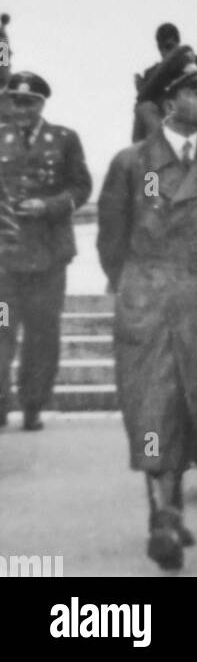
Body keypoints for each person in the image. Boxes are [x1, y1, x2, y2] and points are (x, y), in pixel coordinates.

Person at [97, 59, 197, 571]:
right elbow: (111, 241)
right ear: (167, 105)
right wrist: (137, 287)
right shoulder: (132, 163)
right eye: (194, 89)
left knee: (190, 406)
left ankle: (171, 504)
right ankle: (161, 518)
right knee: (154, 408)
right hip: (151, 302)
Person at [0, 72, 92, 431]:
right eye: (15, 101)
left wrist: (49, 205)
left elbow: (81, 187)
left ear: (41, 104)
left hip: (48, 257)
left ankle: (34, 404)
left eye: (28, 102)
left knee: (42, 332)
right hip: (4, 257)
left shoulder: (64, 139)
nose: (21, 109)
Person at [132, 26, 197, 142]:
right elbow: (147, 104)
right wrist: (142, 92)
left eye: (169, 47)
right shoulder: (152, 73)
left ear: (178, 43)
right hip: (165, 124)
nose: (165, 52)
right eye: (162, 48)